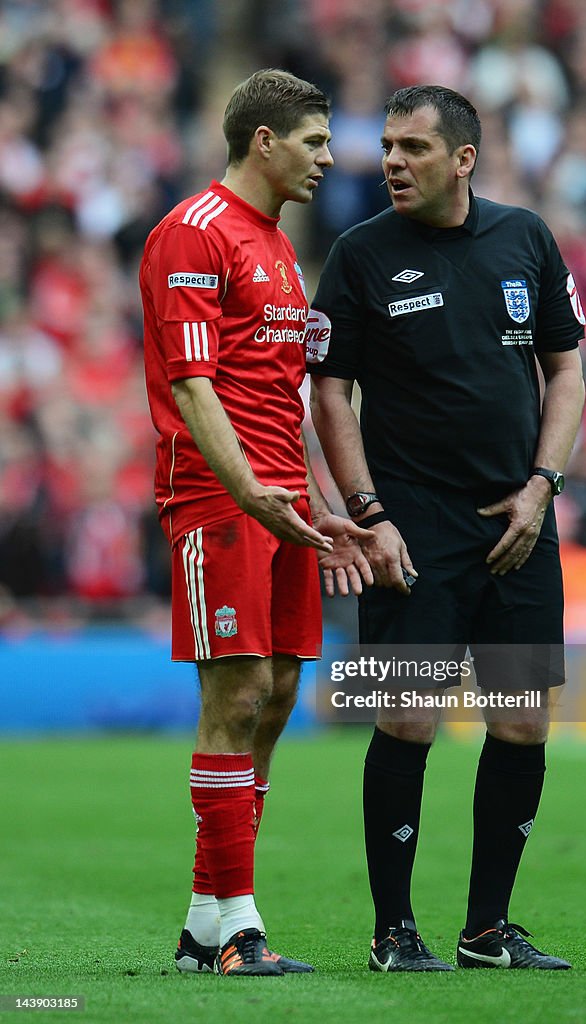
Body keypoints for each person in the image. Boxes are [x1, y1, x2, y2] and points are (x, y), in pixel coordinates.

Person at [309, 85, 586, 972]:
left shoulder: (525, 237)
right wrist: (370, 515)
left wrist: (542, 487)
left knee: (520, 726)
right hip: (412, 528)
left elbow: (567, 371)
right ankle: (394, 932)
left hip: (517, 523)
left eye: (413, 148)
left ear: (462, 159)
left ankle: (487, 930)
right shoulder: (358, 255)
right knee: (408, 721)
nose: (391, 160)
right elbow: (330, 392)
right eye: (387, 145)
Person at [140, 69, 373, 978]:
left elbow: (281, 395)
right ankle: (238, 925)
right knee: (234, 697)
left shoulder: (277, 247)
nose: (328, 157)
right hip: (216, 496)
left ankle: (210, 919)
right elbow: (194, 386)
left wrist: (311, 498)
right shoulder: (193, 233)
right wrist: (245, 491)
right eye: (315, 141)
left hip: (280, 502)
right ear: (265, 140)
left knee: (277, 694)